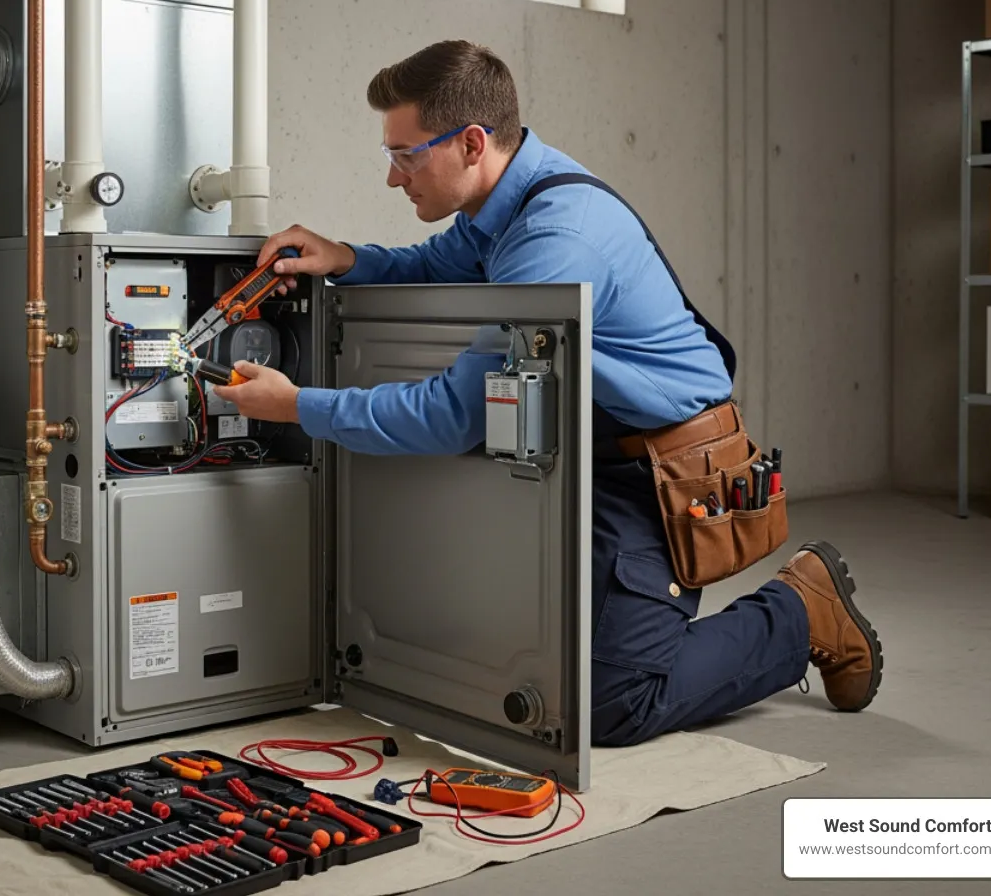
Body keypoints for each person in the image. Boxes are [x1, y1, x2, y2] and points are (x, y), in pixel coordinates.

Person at [212, 40, 883, 746]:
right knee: (523, 654)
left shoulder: (555, 240)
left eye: (406, 155)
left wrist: (297, 406)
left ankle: (801, 609)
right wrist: (346, 258)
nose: (392, 176)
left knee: (609, 702)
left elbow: (451, 417)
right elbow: (436, 266)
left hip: (661, 474)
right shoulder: (506, 197)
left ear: (471, 143)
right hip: (594, 446)